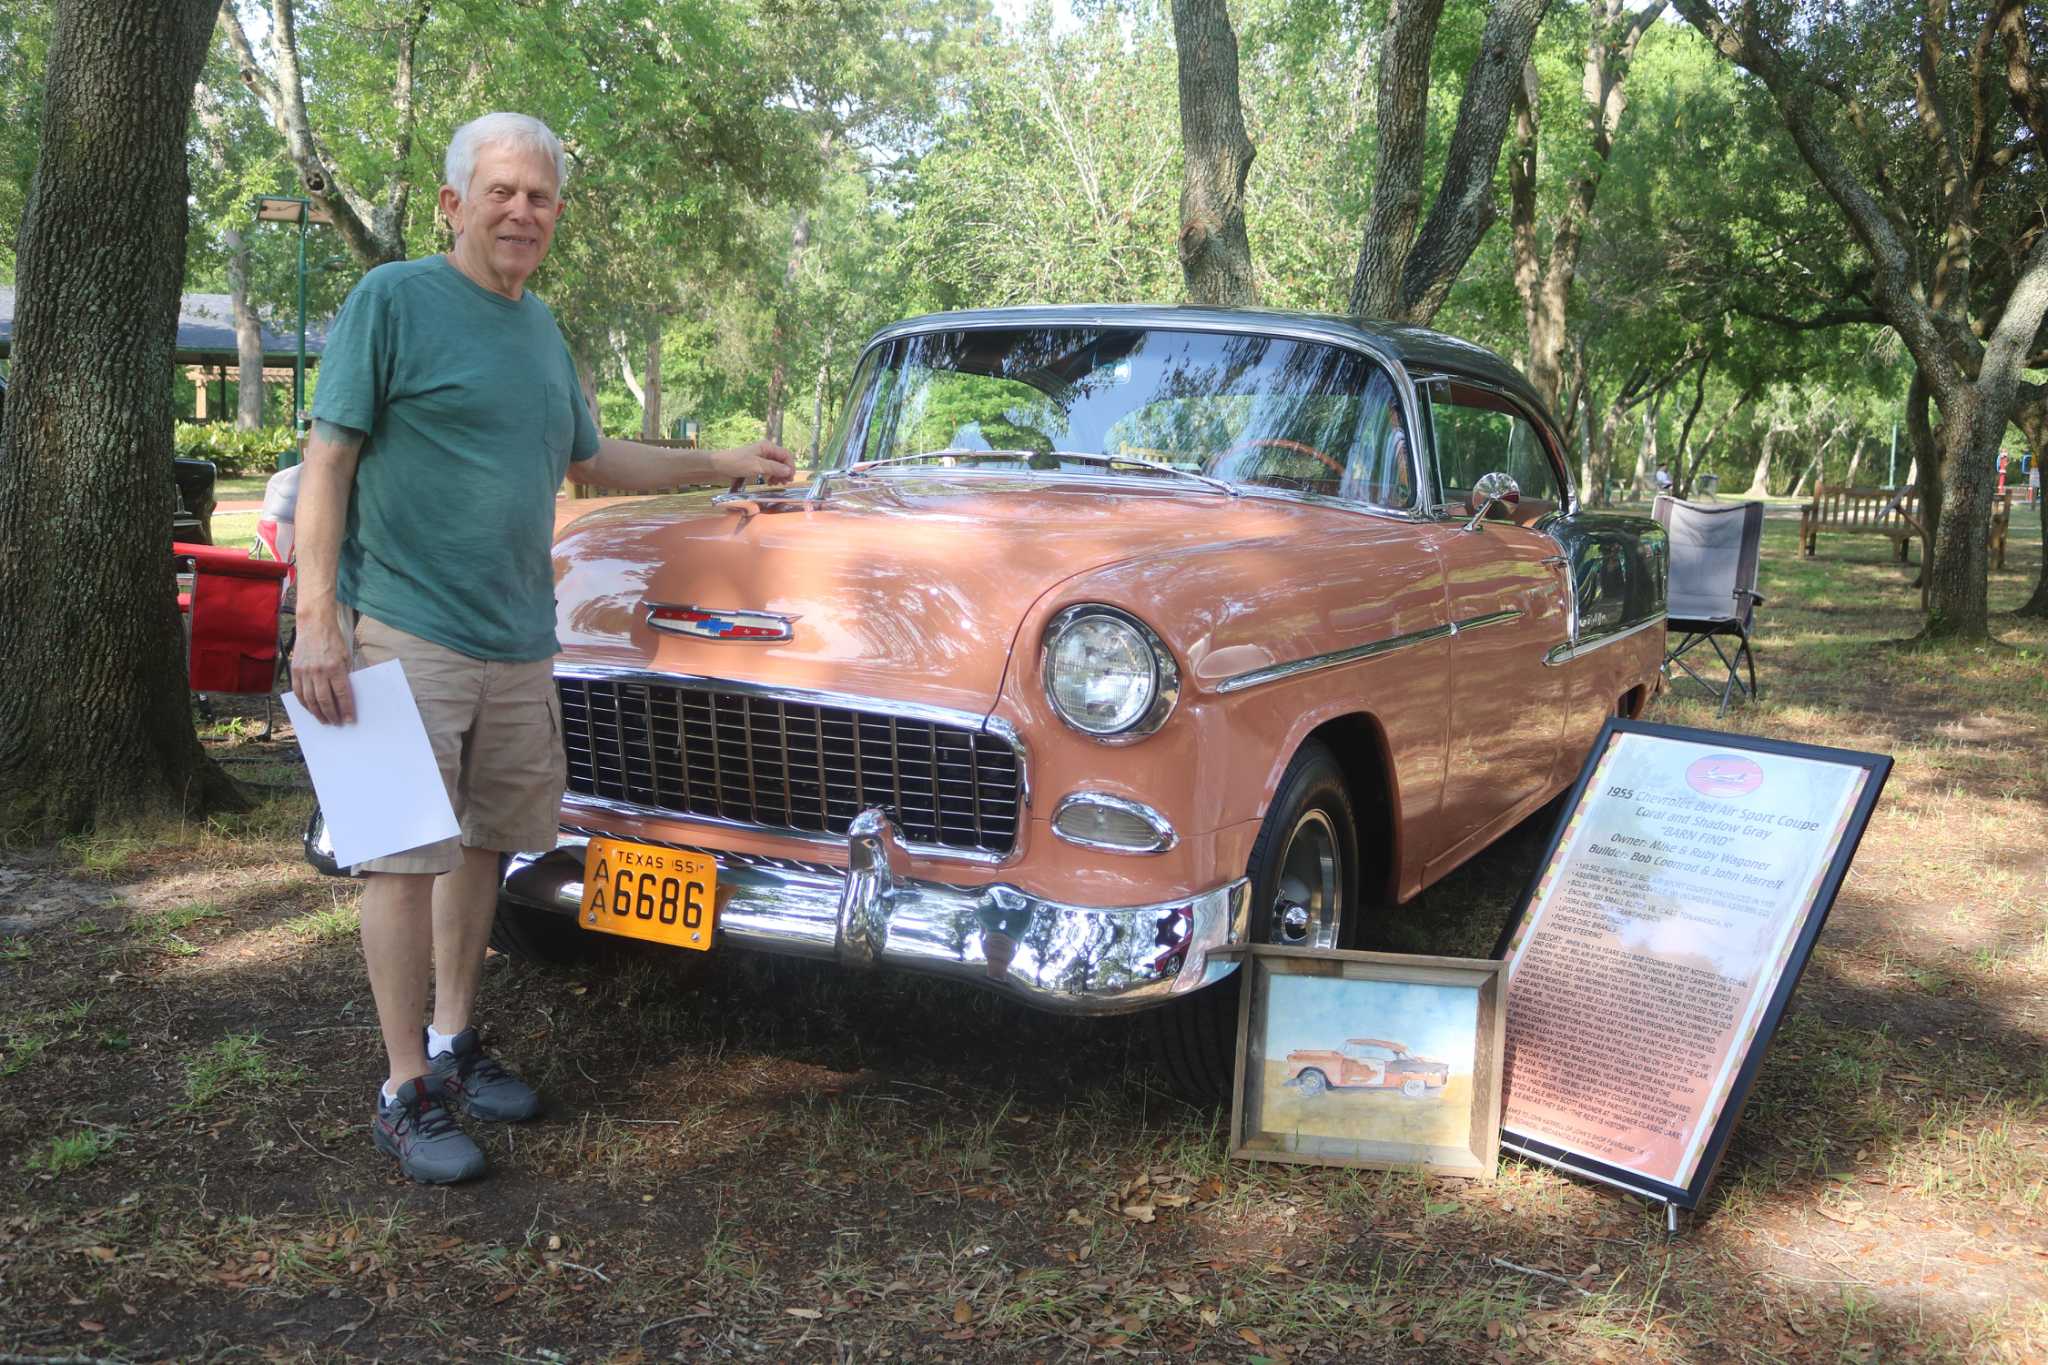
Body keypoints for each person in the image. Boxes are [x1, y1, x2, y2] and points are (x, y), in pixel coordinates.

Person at [290, 112, 793, 1184]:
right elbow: (327, 461)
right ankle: (399, 1088)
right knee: (395, 857)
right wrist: (315, 621)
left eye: (541, 197)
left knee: (485, 845)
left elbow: (593, 459)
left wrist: (723, 461)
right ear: (452, 204)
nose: (522, 211)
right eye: (502, 191)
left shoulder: (539, 326)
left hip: (520, 640)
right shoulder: (393, 302)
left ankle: (454, 1043)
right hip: (397, 630)